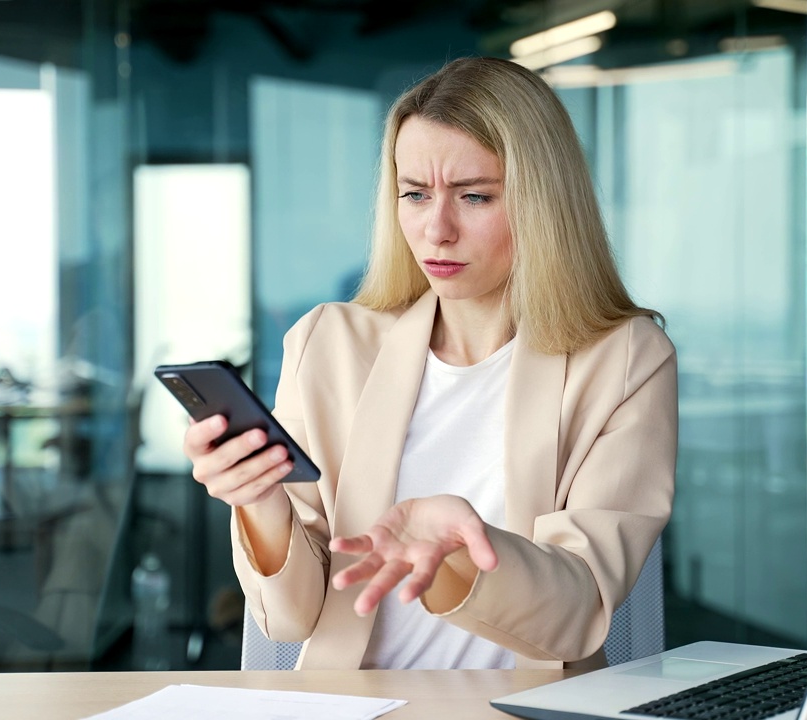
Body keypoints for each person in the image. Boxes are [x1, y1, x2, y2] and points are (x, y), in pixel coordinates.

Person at [182, 56, 677, 671]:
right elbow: (288, 620)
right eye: (414, 194)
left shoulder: (624, 358)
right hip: (353, 707)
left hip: (524, 709)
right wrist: (257, 500)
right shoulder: (328, 344)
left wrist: (463, 554)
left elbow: (576, 616)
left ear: (543, 203)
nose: (436, 229)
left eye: (474, 197)